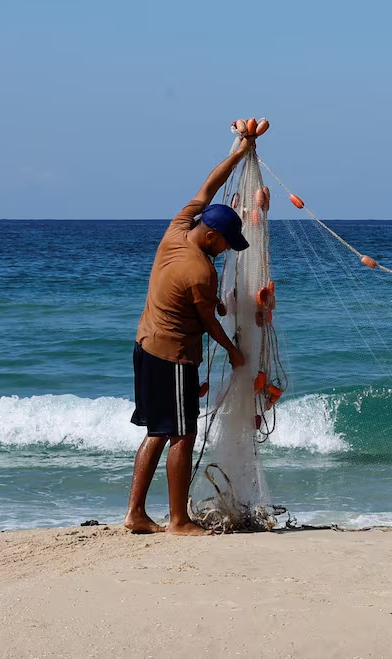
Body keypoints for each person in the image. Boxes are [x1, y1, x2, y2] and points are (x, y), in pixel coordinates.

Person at [124, 136, 253, 536]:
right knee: (182, 433)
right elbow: (209, 324)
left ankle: (136, 514)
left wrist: (236, 154)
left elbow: (207, 188)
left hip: (145, 346)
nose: (226, 251)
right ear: (213, 235)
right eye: (227, 245)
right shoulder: (201, 269)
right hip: (172, 356)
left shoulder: (178, 227)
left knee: (158, 431)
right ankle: (178, 521)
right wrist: (233, 352)